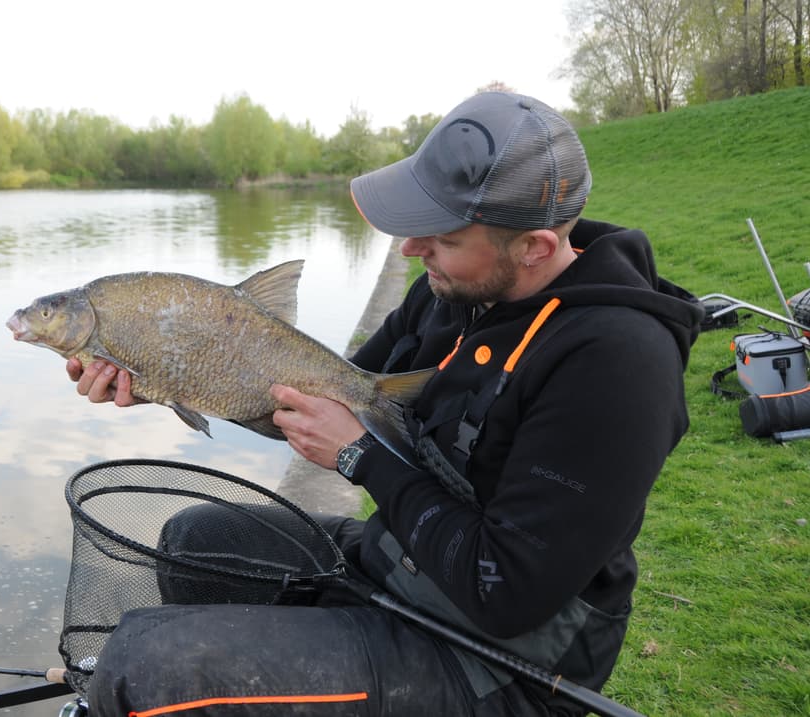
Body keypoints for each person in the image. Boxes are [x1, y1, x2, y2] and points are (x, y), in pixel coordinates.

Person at [65, 91, 702, 716]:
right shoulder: (451, 292)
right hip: (403, 568)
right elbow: (321, 406)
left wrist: (362, 458)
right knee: (195, 543)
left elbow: (506, 592)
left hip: (503, 664)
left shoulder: (617, 360)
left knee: (143, 670)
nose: (410, 249)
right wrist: (176, 375)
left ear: (534, 246)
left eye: (442, 237)